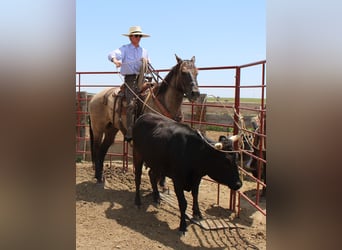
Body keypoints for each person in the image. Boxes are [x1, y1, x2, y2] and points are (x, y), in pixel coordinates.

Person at [108, 26, 150, 142]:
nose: (138, 38)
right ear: (131, 37)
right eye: (136, 35)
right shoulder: (125, 49)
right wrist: (115, 60)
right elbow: (112, 54)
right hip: (130, 79)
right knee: (131, 104)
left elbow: (148, 64)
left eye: (140, 36)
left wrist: (147, 64)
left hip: (143, 78)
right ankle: (130, 132)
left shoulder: (144, 51)